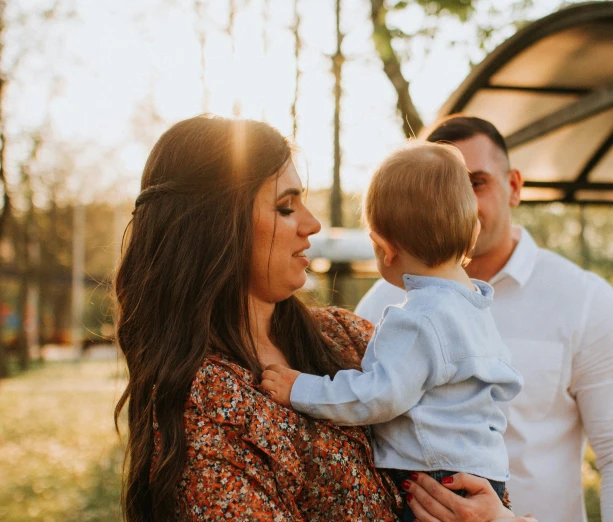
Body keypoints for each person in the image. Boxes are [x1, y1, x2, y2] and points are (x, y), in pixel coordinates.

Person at [113, 115, 538, 522]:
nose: (313, 224)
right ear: (218, 226)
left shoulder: (345, 335)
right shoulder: (205, 402)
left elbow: (465, 445)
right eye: (285, 207)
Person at [356, 116, 613, 522]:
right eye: (439, 189)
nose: (457, 201)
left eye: (475, 183)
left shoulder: (585, 301)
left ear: (514, 187)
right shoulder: (383, 303)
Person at [261, 143, 524, 522]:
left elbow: (378, 396)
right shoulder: (476, 306)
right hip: (483, 480)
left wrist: (300, 388)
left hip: (434, 481)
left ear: (384, 249)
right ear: (472, 231)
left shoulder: (418, 319)